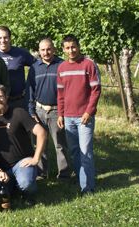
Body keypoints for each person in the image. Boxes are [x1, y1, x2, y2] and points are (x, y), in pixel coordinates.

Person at [0, 84, 47, 202]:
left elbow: (42, 132)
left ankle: (27, 187)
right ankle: (14, 185)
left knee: (26, 184)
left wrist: (36, 158)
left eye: (0, 96)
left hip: (22, 163)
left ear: (6, 97)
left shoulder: (19, 113)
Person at [56, 34, 101, 195]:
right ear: (63, 49)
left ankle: (87, 187)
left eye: (73, 47)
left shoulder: (88, 65)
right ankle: (82, 177)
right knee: (74, 150)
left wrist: (89, 111)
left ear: (79, 46)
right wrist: (60, 114)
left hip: (84, 117)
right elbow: (60, 94)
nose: (71, 50)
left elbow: (96, 91)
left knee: (85, 151)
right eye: (67, 48)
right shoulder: (61, 68)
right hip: (68, 117)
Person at [27, 38, 71, 179]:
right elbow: (30, 90)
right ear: (39, 51)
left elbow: (67, 90)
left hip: (56, 111)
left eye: (48, 49)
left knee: (60, 144)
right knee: (40, 143)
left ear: (54, 49)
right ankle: (41, 173)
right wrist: (31, 110)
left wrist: (63, 112)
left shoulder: (62, 65)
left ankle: (64, 174)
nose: (46, 52)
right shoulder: (34, 67)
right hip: (39, 111)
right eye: (42, 50)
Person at [0, 26, 35, 110]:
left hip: (18, 100)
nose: (3, 41)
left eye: (5, 37)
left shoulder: (21, 53)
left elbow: (37, 66)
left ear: (10, 38)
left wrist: (29, 83)